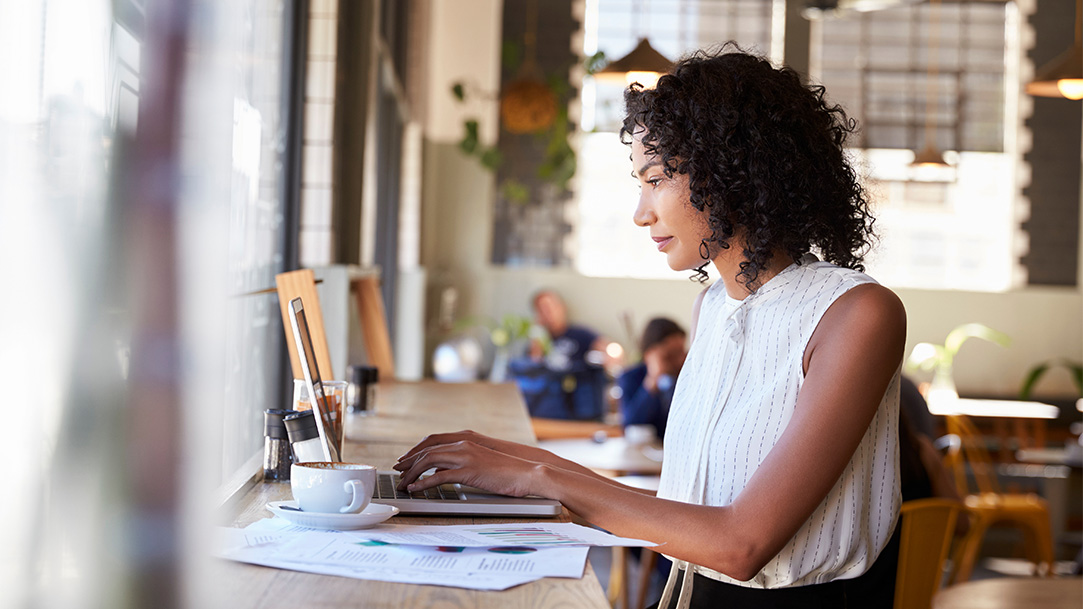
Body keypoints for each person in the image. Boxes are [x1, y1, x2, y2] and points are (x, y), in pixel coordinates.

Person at [395, 44, 905, 608]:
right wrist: (503, 457)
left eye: (657, 179)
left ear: (735, 170)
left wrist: (539, 475)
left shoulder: (856, 314)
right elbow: (685, 505)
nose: (642, 212)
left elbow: (741, 543)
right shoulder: (713, 307)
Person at [508, 289, 609, 420]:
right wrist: (537, 338)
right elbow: (533, 371)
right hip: (549, 409)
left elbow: (606, 350)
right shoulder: (538, 340)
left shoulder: (581, 334)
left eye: (551, 307)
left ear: (562, 307)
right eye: (542, 309)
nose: (548, 313)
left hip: (580, 405)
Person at [619, 317, 687, 440]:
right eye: (671, 354)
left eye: (682, 352)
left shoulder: (688, 377)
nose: (681, 359)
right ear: (650, 354)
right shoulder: (630, 377)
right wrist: (653, 379)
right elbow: (631, 422)